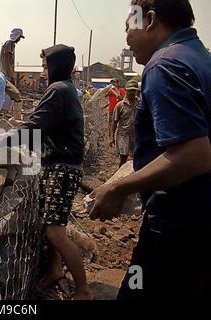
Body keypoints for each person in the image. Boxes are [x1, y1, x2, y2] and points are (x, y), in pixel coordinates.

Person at [90, 0, 211, 300]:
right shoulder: (200, 59)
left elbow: (194, 155)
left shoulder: (165, 65)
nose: (126, 36)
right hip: (200, 223)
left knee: (136, 289)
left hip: (177, 227)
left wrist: (117, 188)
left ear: (151, 19)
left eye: (129, 24)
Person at [0, 44, 93, 300]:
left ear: (56, 66)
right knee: (49, 224)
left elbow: (35, 125)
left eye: (44, 67)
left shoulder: (58, 90)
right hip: (58, 164)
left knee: (55, 232)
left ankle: (84, 291)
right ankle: (54, 270)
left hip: (62, 167)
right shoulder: (66, 89)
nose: (42, 73)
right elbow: (42, 126)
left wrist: (0, 140)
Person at [110, 80, 139, 168]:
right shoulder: (120, 105)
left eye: (133, 90)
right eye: (129, 90)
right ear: (126, 90)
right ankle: (120, 178)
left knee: (137, 157)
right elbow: (114, 122)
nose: (131, 93)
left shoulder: (140, 104)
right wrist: (112, 137)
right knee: (123, 158)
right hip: (123, 135)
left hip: (136, 135)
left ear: (136, 91)